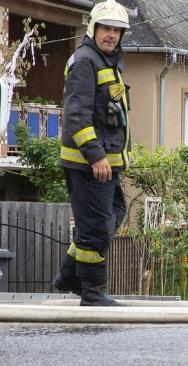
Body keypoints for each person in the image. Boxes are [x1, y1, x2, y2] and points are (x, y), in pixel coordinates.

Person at [52, 0, 131, 306]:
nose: (111, 35)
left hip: (108, 164)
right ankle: (92, 291)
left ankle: (69, 276)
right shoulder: (86, 61)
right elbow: (76, 115)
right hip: (88, 164)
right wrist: (96, 155)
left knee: (111, 218)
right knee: (96, 228)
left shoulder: (108, 62)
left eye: (116, 30)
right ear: (93, 29)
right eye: (106, 29)